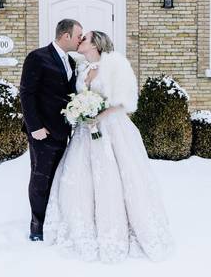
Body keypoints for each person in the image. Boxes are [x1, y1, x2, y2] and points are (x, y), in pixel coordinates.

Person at [43, 30, 174, 262]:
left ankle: (117, 230)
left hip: (112, 130)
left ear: (96, 43)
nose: (80, 40)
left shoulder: (115, 63)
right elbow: (77, 98)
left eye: (85, 38)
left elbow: (125, 101)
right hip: (85, 133)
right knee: (80, 180)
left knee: (114, 179)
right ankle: (83, 227)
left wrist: (99, 115)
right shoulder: (82, 68)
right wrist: (80, 113)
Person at [18, 18, 82, 242]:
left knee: (57, 178)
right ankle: (37, 225)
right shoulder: (37, 57)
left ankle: (52, 219)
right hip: (42, 132)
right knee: (40, 178)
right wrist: (35, 127)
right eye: (77, 36)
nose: (80, 40)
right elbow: (26, 93)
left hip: (63, 131)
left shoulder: (72, 62)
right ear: (66, 36)